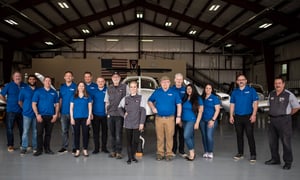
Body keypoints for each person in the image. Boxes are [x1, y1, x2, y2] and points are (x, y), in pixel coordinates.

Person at [265, 77, 300, 170]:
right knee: (272, 142)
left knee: (286, 142)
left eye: (279, 83)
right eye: (276, 83)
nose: (277, 85)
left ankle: (288, 162)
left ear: (283, 84)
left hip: (284, 121)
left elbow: (296, 107)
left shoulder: (289, 95)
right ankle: (275, 159)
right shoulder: (271, 94)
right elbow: (269, 105)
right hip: (272, 121)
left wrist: (287, 114)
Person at [148, 76, 182, 161]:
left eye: (167, 82)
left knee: (169, 136)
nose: (165, 84)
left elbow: (179, 105)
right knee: (160, 137)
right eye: (163, 82)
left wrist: (178, 116)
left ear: (169, 83)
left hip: (170, 118)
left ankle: (169, 153)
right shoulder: (157, 92)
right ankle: (160, 153)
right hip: (159, 118)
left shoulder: (174, 93)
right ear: (160, 83)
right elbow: (150, 100)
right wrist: (152, 108)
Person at [229, 74, 258, 162]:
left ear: (246, 81)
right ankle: (240, 153)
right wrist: (231, 115)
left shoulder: (251, 90)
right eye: (239, 80)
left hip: (248, 116)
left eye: (243, 79)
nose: (241, 81)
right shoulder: (234, 92)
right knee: (239, 135)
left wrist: (254, 115)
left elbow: (255, 103)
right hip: (237, 117)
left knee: (250, 135)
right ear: (237, 82)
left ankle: (253, 154)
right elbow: (232, 104)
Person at [118, 81, 146, 164]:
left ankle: (132, 155)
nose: (133, 88)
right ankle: (130, 158)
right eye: (131, 87)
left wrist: (142, 123)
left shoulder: (141, 98)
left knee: (136, 141)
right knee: (129, 141)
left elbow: (143, 111)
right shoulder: (125, 98)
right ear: (129, 88)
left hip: (137, 123)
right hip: (128, 123)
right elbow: (119, 108)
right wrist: (123, 115)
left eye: (135, 87)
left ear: (137, 88)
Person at [0, 71, 27, 152]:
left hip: (22, 111)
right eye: (16, 76)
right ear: (13, 77)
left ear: (21, 77)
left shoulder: (25, 86)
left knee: (23, 129)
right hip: (11, 110)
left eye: (19, 76)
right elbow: (1, 95)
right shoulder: (9, 85)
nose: (18, 77)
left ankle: (23, 144)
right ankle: (10, 145)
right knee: (9, 128)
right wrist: (7, 102)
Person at [32, 76, 59, 156]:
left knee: (48, 134)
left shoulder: (54, 92)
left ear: (51, 83)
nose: (48, 82)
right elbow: (34, 104)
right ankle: (39, 150)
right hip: (40, 116)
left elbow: (57, 105)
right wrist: (37, 115)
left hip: (50, 116)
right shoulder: (38, 92)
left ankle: (47, 149)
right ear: (43, 82)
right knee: (39, 133)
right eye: (46, 81)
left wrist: (56, 115)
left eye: (49, 81)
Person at [105, 72, 128, 159]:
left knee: (118, 134)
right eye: (114, 77)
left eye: (117, 77)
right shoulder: (109, 88)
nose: (115, 78)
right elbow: (106, 101)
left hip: (119, 114)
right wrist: (106, 112)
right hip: (110, 113)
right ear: (112, 78)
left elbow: (128, 99)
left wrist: (126, 112)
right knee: (111, 134)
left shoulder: (125, 87)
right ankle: (113, 151)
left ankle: (118, 151)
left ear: (120, 78)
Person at [181, 84, 203, 161]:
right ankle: (192, 152)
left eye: (190, 89)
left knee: (186, 136)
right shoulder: (185, 98)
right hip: (184, 120)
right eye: (187, 89)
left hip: (192, 120)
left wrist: (197, 123)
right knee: (190, 136)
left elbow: (200, 111)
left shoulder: (198, 98)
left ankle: (192, 153)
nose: (189, 90)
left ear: (193, 89)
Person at [70, 82, 92, 157]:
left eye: (83, 86)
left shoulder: (88, 96)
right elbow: (71, 108)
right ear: (77, 87)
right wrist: (72, 118)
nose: (81, 87)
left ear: (84, 87)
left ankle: (85, 149)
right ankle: (77, 150)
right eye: (80, 86)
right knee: (76, 134)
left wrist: (89, 117)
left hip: (85, 118)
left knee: (85, 134)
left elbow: (90, 107)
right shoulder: (74, 96)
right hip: (76, 118)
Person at [58, 71, 77, 154]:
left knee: (74, 131)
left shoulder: (76, 87)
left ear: (72, 77)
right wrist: (59, 110)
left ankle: (74, 147)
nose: (68, 77)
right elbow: (60, 100)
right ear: (64, 77)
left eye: (70, 76)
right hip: (64, 112)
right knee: (64, 130)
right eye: (67, 76)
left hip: (74, 113)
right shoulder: (62, 88)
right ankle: (64, 147)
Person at [200, 83, 220, 159]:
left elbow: (217, 110)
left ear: (212, 90)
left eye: (209, 88)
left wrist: (213, 120)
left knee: (209, 136)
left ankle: (210, 151)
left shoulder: (214, 98)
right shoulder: (202, 98)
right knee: (204, 136)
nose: (208, 90)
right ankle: (206, 151)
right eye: (206, 88)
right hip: (202, 120)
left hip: (211, 120)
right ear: (204, 89)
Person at [19, 75, 38, 155]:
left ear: (36, 80)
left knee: (35, 131)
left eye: (33, 79)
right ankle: (24, 147)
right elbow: (20, 102)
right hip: (27, 114)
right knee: (25, 131)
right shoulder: (24, 90)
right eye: (30, 79)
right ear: (28, 80)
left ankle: (35, 147)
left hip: (36, 114)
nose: (32, 80)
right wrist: (25, 108)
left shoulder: (39, 90)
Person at [91, 77, 109, 154]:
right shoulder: (93, 91)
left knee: (105, 132)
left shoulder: (108, 90)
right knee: (96, 132)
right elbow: (90, 103)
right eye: (99, 81)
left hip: (105, 115)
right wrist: (91, 113)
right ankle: (96, 148)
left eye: (102, 81)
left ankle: (104, 147)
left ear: (104, 82)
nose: (100, 83)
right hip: (95, 115)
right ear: (96, 82)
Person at [171, 73, 186, 157]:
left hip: (182, 116)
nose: (179, 81)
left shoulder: (186, 90)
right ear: (174, 80)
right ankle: (173, 150)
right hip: (173, 115)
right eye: (177, 79)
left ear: (182, 80)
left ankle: (181, 150)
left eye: (180, 79)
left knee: (182, 134)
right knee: (173, 134)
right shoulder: (171, 89)